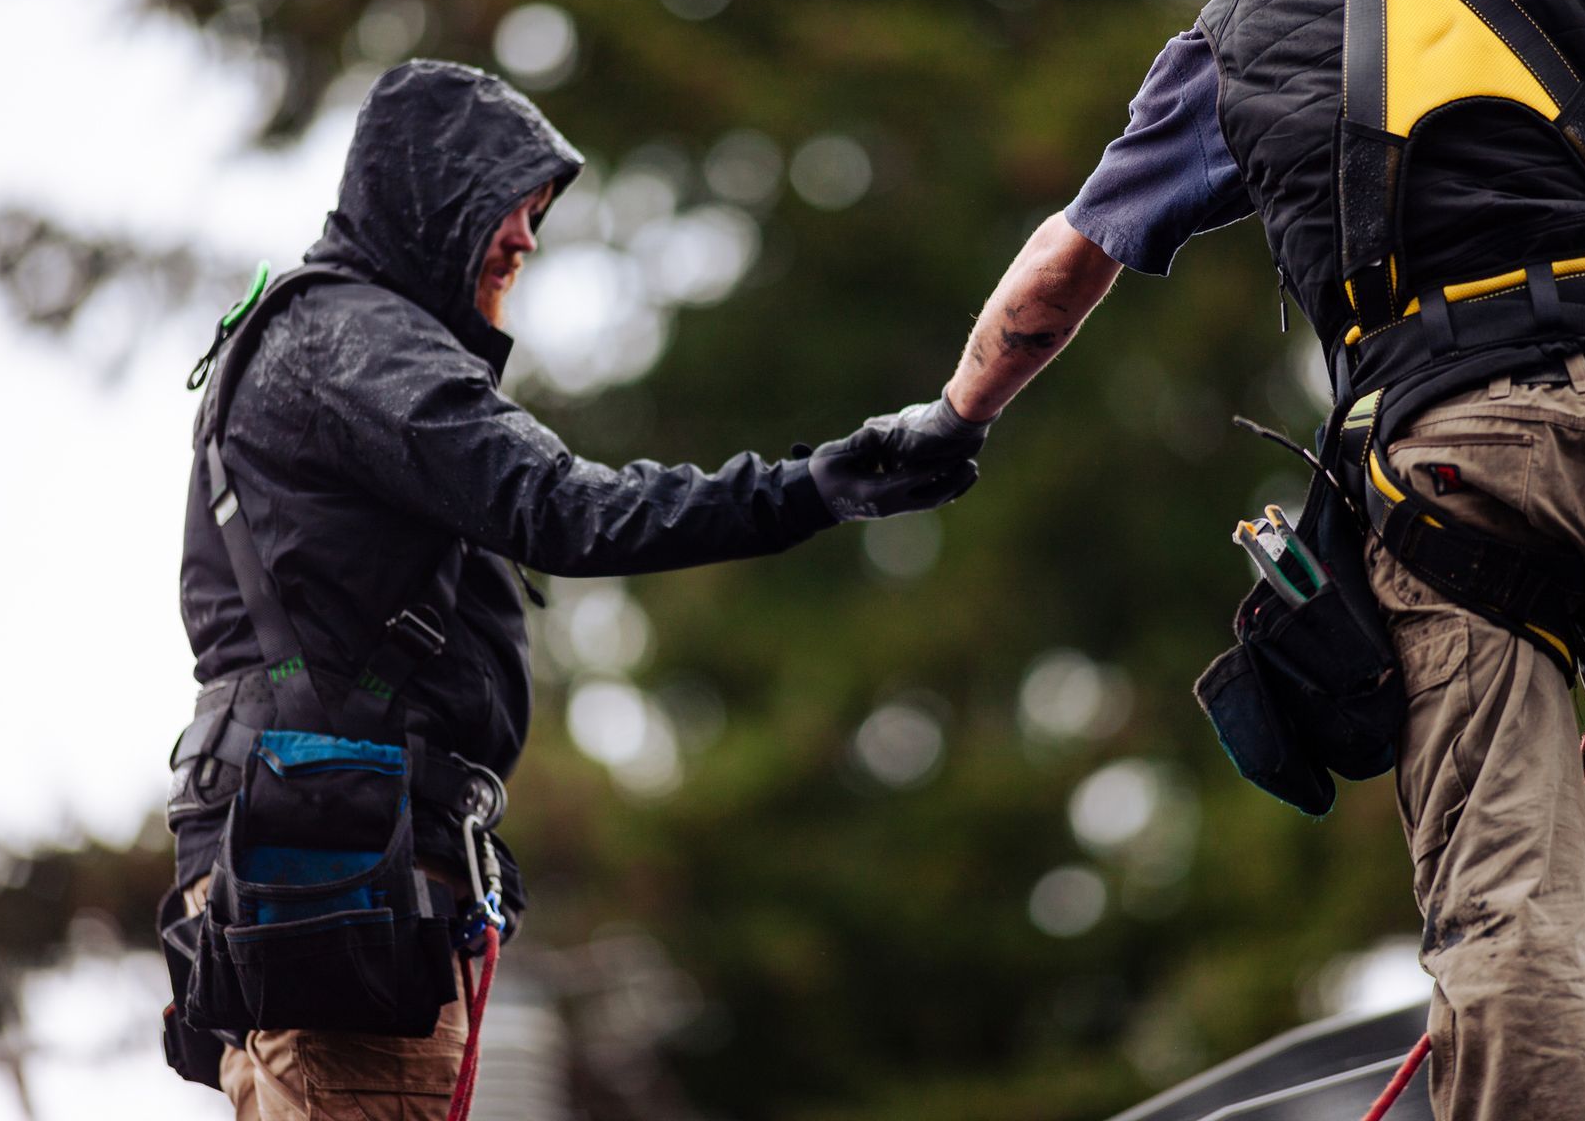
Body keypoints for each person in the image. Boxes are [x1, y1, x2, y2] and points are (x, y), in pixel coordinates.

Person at [878, 0, 1585, 1118]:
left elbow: (1065, 264)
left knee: (1505, 890)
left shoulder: (1236, 27)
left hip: (1455, 468)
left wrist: (951, 417)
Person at [160, 58, 974, 1119]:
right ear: (428, 197)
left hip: (305, 867)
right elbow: (562, 507)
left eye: (536, 212)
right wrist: (815, 485)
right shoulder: (358, 340)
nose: (526, 239)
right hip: (336, 875)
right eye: (508, 204)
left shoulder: (320, 343)